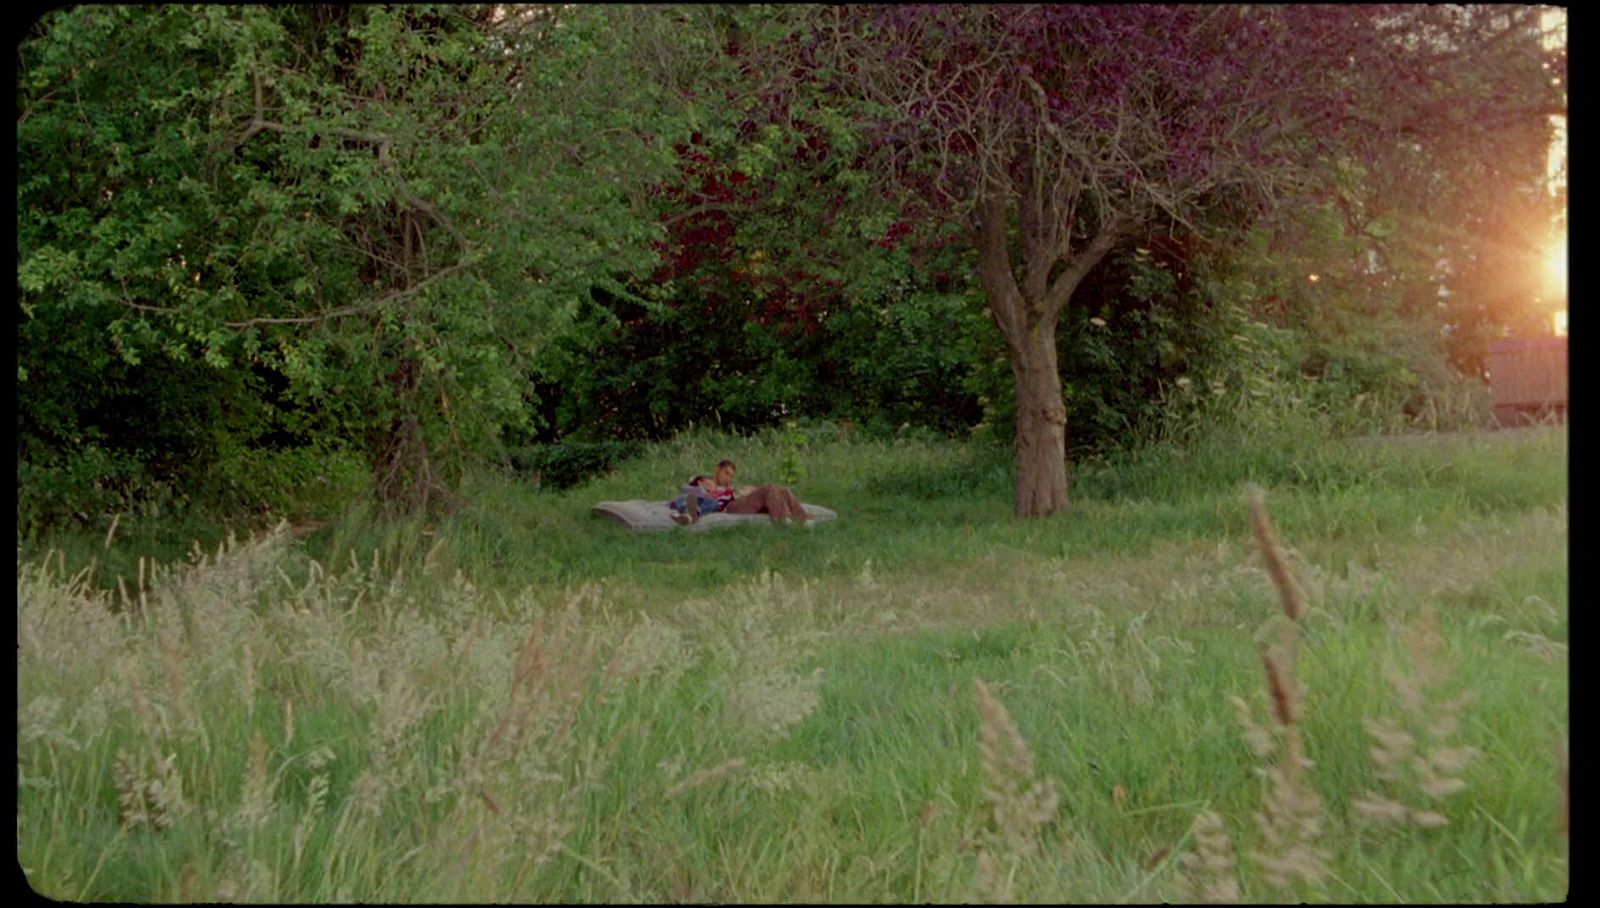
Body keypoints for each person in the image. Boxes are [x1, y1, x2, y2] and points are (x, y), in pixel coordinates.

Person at [670, 459, 811, 524]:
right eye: (726, 473)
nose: (728, 478)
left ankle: (805, 520)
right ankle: (783, 521)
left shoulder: (731, 489)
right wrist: (702, 484)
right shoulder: (704, 481)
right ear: (717, 470)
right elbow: (686, 488)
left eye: (731, 476)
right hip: (725, 507)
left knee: (781, 490)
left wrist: (748, 492)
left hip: (734, 502)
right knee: (768, 489)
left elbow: (737, 494)